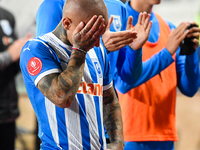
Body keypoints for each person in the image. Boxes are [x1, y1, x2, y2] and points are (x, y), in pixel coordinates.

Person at [20, 0, 125, 149]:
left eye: (99, 35)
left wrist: (117, 143)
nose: (96, 44)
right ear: (67, 23)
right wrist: (80, 51)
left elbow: (109, 100)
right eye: (91, 33)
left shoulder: (98, 51)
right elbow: (62, 97)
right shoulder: (36, 49)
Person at [115, 0, 200, 150]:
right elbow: (122, 84)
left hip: (165, 136)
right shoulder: (118, 25)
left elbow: (190, 89)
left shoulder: (169, 28)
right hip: (129, 137)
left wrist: (191, 53)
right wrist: (166, 53)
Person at [0, 6, 30, 150]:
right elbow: (11, 54)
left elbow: (15, 59)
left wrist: (25, 54)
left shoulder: (7, 16)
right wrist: (9, 56)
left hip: (7, 111)